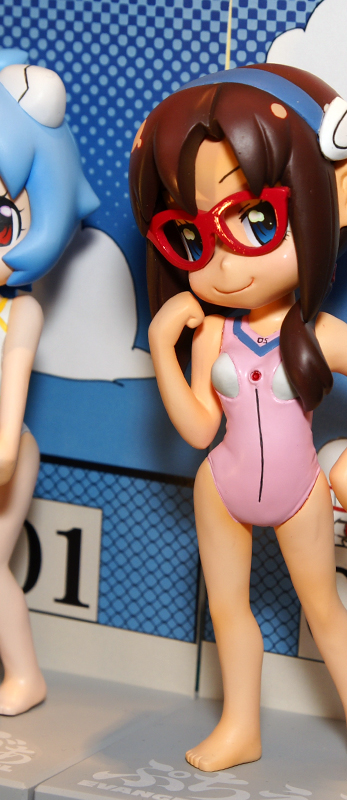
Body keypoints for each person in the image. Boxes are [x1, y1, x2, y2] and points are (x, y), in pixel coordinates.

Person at [130, 64, 347, 778]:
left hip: (298, 495)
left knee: (324, 613)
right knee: (229, 611)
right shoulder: (212, 334)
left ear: (335, 201)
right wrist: (166, 348)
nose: (221, 263)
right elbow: (198, 430)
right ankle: (240, 726)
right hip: (221, 489)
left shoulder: (319, 335)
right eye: (190, 236)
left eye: (255, 221)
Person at [0, 49, 98, 715]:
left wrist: (5, 452)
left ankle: (25, 675)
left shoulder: (20, 309)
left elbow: (12, 387)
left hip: (6, 452)